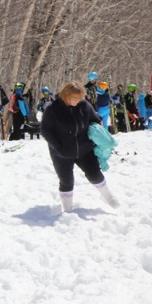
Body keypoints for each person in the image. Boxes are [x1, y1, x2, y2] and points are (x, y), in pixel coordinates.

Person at [40, 81, 119, 211]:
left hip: (85, 148)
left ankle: (109, 197)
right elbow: (46, 131)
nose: (78, 101)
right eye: (75, 98)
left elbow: (95, 121)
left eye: (80, 98)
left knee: (95, 174)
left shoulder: (84, 106)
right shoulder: (52, 109)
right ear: (66, 95)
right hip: (62, 152)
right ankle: (67, 208)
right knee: (66, 181)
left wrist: (97, 137)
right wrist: (58, 148)